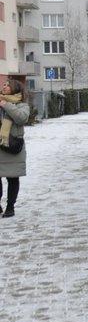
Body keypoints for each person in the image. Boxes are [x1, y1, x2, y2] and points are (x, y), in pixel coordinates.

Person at [0, 79, 29, 218]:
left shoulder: (22, 105)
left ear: (15, 88)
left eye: (7, 85)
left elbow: (21, 119)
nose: (4, 87)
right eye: (3, 85)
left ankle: (10, 207)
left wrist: (6, 105)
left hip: (12, 147)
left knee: (12, 178)